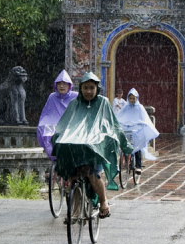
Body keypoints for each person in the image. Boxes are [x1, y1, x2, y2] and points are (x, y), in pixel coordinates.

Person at [51, 72, 132, 219]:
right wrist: (57, 136)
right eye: (85, 88)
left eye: (91, 88)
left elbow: (113, 124)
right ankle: (75, 212)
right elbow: (63, 124)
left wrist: (124, 144)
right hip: (77, 146)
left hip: (95, 146)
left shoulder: (103, 102)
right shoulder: (74, 104)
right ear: (81, 88)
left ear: (97, 88)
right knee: (74, 177)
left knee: (92, 173)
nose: (88, 91)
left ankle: (103, 202)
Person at [37, 70, 78, 160]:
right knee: (44, 129)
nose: (62, 86)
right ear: (56, 85)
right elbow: (47, 113)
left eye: (64, 84)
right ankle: (54, 156)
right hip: (54, 123)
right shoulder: (52, 96)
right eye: (59, 84)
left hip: (71, 123)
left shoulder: (75, 96)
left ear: (69, 85)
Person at [116, 88, 159, 174]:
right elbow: (119, 117)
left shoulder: (140, 108)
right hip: (127, 130)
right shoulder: (126, 107)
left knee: (137, 148)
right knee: (124, 145)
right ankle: (125, 161)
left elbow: (144, 119)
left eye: (133, 98)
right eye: (130, 98)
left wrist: (140, 127)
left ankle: (138, 166)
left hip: (136, 132)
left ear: (137, 98)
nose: (132, 100)